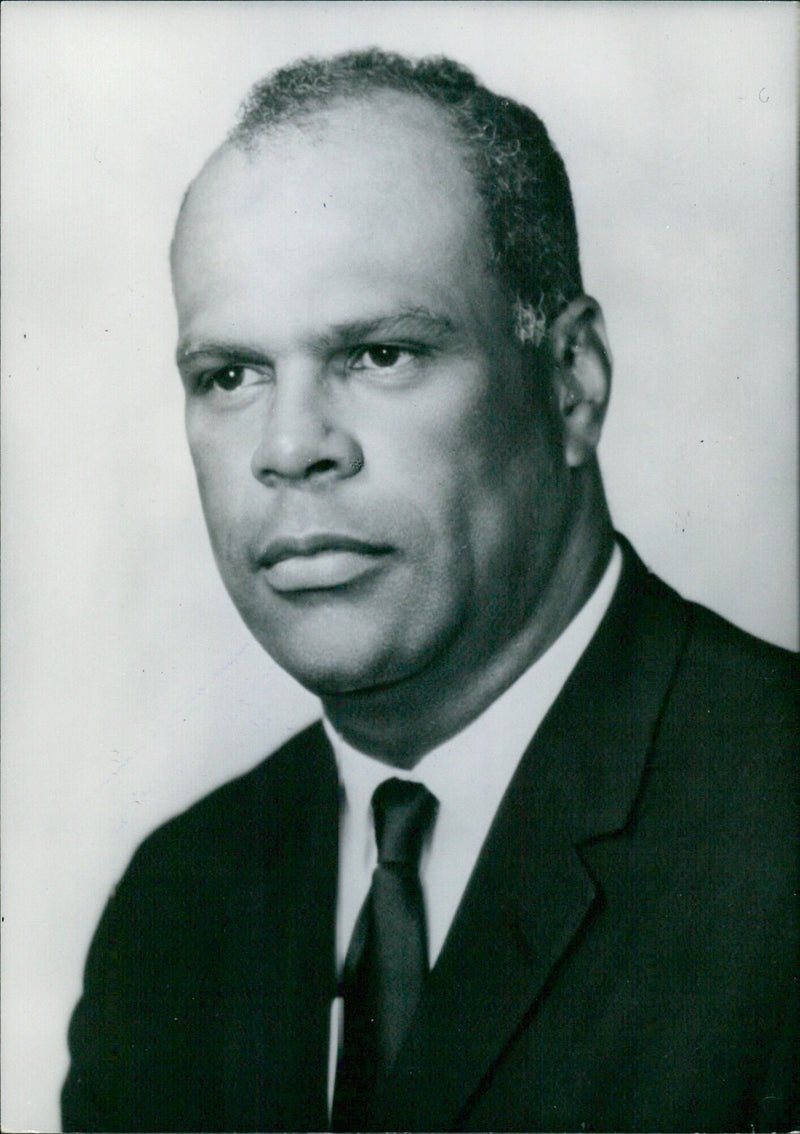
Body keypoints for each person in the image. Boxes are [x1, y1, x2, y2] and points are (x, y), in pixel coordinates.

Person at [61, 50, 797, 1133]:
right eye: (229, 375)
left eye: (380, 354)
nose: (289, 446)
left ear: (571, 383)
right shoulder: (174, 909)